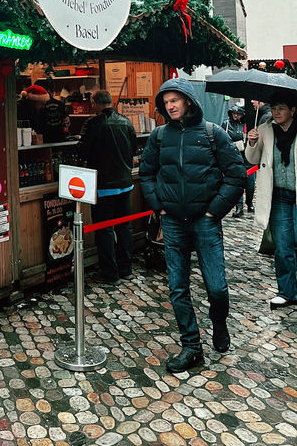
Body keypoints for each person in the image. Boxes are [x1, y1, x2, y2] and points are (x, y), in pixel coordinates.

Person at [139, 79, 247, 373]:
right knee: (177, 288)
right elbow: (146, 173)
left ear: (187, 101)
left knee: (217, 288)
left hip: (205, 223)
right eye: (166, 102)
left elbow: (236, 175)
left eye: (175, 100)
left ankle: (219, 322)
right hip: (173, 222)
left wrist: (215, 211)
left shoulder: (213, 134)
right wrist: (157, 205)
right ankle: (191, 346)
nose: (170, 106)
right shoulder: (159, 136)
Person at [76, 89, 137, 284]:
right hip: (125, 184)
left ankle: (110, 274)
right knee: (125, 227)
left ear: (95, 103)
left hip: (103, 185)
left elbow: (83, 152)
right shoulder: (126, 122)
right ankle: (126, 269)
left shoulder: (93, 124)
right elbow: (133, 149)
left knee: (105, 230)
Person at [245, 92, 297, 309]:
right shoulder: (266, 129)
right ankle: (287, 292)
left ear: (293, 110)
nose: (276, 112)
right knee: (283, 246)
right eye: (274, 108)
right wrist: (252, 142)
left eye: (281, 108)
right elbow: (252, 159)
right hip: (279, 197)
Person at [221, 104, 246, 217]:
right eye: (234, 113)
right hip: (229, 156)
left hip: (243, 156)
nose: (236, 116)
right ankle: (238, 205)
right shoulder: (226, 124)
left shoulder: (245, 125)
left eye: (238, 114)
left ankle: (247, 203)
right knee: (234, 181)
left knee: (247, 183)